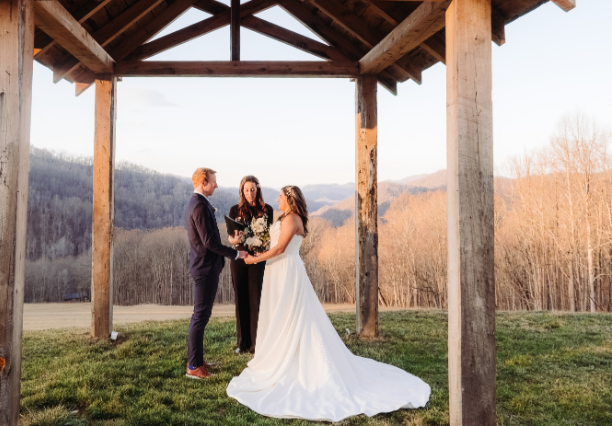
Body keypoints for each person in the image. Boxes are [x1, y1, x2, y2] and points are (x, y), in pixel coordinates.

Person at [226, 186, 430, 421]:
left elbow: (280, 248)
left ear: (290, 199)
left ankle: (296, 357)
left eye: (281, 196)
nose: (278, 199)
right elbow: (271, 242)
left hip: (287, 270)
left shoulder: (293, 218)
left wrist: (254, 260)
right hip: (276, 270)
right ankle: (280, 351)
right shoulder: (284, 217)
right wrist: (246, 241)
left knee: (293, 315)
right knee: (278, 315)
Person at [184, 167, 248, 380]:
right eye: (213, 181)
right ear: (204, 182)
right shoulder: (199, 206)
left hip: (204, 266)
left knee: (201, 316)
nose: (217, 185)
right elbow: (209, 242)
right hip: (204, 268)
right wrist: (236, 254)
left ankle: (197, 360)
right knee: (200, 316)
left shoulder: (198, 203)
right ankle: (193, 367)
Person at [228, 175, 273, 355]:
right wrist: (235, 239)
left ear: (258, 189)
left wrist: (261, 248)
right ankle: (242, 343)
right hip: (239, 258)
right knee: (241, 300)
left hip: (257, 260)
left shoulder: (266, 209)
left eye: (252, 189)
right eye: (246, 190)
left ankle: (257, 343)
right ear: (242, 191)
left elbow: (269, 237)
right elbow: (231, 238)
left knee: (256, 300)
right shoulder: (234, 210)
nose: (250, 193)